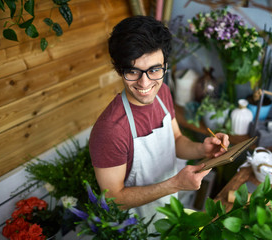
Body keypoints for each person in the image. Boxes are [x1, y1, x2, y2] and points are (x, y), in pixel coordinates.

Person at [89, 15, 230, 231]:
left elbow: (176, 140)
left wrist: (202, 148)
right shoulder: (110, 130)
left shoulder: (163, 92)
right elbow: (113, 199)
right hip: (134, 229)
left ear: (166, 65)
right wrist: (175, 184)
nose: (145, 84)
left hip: (166, 210)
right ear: (119, 70)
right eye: (133, 71)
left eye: (154, 70)